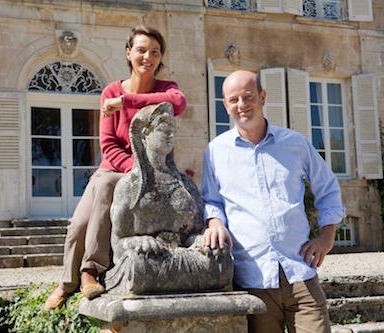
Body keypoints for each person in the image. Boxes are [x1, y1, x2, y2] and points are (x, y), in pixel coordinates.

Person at [44, 25, 187, 310]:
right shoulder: (110, 91)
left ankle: (91, 271)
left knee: (107, 188)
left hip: (151, 171)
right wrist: (135, 169)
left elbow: (178, 103)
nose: (148, 57)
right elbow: (108, 145)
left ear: (160, 58)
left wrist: (127, 101)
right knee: (77, 228)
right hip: (113, 169)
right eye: (142, 50)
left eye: (155, 52)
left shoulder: (166, 89)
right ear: (128, 53)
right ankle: (68, 283)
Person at [201, 70, 345, 333]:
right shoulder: (215, 152)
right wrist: (214, 222)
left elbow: (328, 188)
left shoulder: (295, 144)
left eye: (248, 97)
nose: (242, 105)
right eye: (234, 100)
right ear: (225, 105)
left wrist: (327, 237)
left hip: (300, 271)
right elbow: (211, 199)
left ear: (263, 97)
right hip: (252, 278)